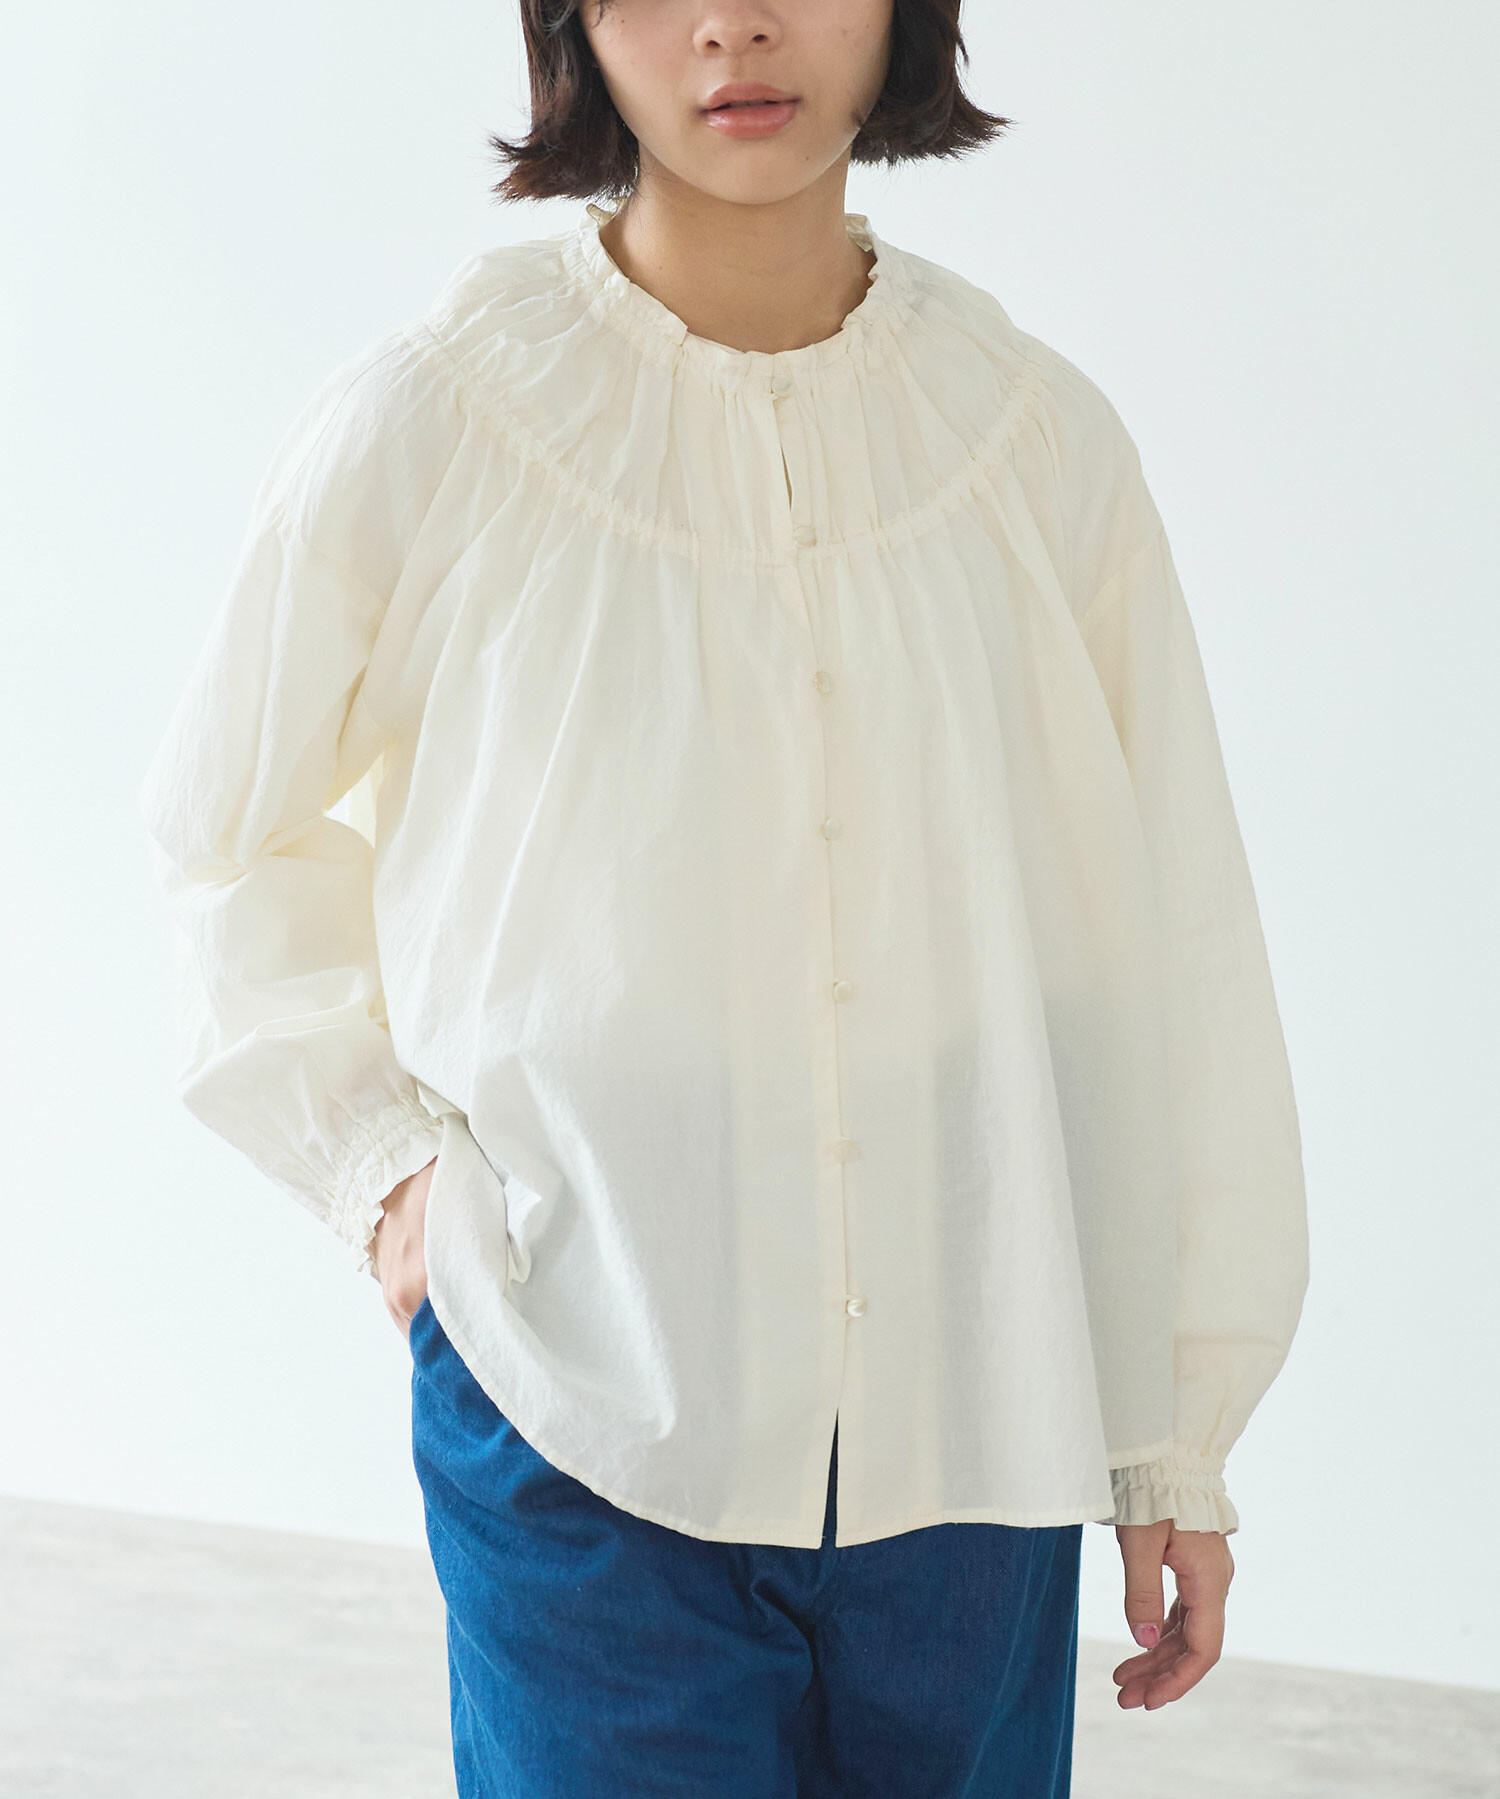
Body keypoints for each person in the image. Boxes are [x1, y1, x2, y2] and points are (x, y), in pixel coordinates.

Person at [138, 2, 1310, 1793]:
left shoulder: (1032, 440)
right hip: (577, 1392)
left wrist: (1176, 1436)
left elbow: (1169, 942)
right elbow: (223, 835)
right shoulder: (442, 420)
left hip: (977, 1411)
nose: (736, 22)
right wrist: (381, 1169)